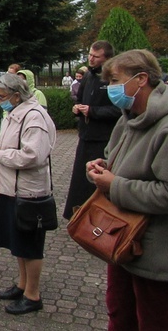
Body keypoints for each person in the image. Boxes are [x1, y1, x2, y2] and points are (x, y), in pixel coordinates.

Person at [87, 49, 168, 330]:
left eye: (116, 80)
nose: (110, 89)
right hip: (121, 241)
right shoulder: (129, 117)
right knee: (120, 315)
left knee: (155, 322)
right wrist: (104, 166)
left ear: (141, 79)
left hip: (155, 252)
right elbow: (124, 161)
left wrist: (115, 185)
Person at [0, 73, 56, 315]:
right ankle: (23, 284)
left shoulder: (34, 116)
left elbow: (33, 156)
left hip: (28, 193)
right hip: (10, 189)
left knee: (30, 245)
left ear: (17, 95)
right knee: (18, 243)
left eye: (2, 96)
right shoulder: (13, 113)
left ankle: (33, 295)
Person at [63, 40, 121, 220]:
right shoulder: (88, 76)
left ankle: (100, 216)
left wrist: (93, 111)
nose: (91, 59)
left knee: (98, 179)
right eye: (90, 55)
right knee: (81, 179)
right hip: (86, 135)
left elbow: (120, 110)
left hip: (104, 138)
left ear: (107, 58)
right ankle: (78, 212)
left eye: (96, 56)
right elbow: (79, 99)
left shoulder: (114, 79)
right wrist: (78, 109)